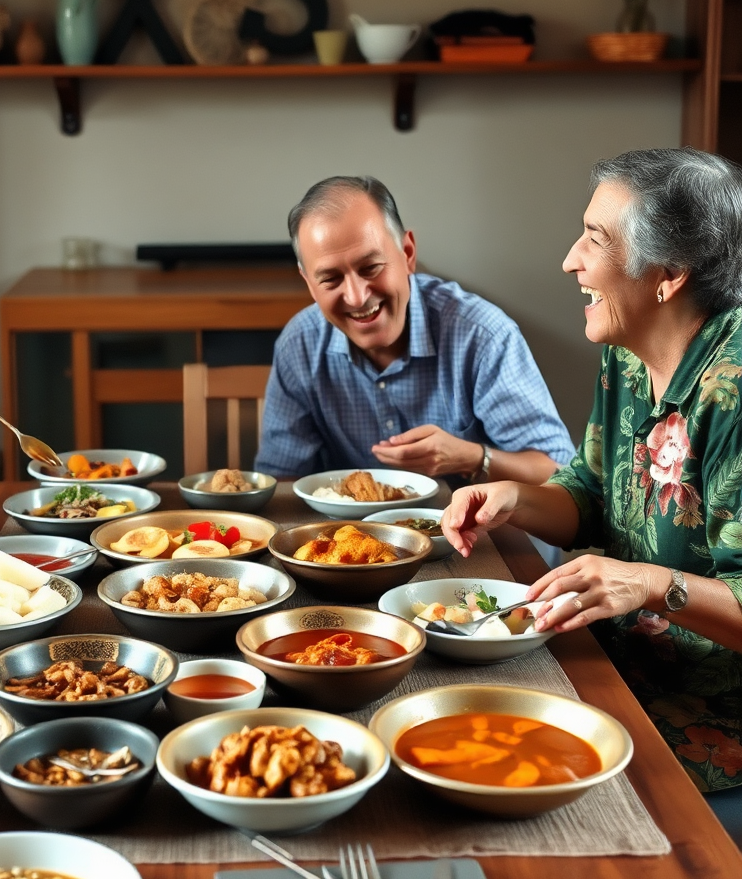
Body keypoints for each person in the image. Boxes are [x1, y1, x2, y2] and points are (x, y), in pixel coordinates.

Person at [442, 149, 742, 831]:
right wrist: (513, 499)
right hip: (608, 675)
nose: (570, 261)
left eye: (594, 239)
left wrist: (647, 583)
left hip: (706, 729)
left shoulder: (735, 394)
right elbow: (588, 493)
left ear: (667, 276)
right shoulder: (628, 351)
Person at [255, 175, 574, 485]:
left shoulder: (483, 336)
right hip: (356, 536)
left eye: (370, 268)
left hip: (487, 535)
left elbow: (559, 474)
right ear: (309, 283)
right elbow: (281, 481)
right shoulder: (298, 345)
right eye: (330, 279)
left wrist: (473, 458)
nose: (356, 296)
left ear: (407, 253)